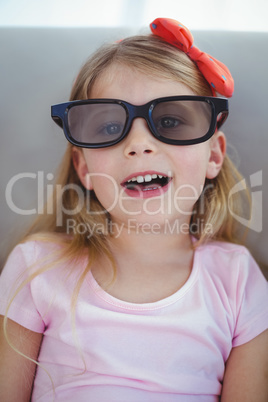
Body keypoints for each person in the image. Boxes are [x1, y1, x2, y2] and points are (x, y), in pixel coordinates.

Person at [0, 17, 267, 402]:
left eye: (171, 122)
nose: (139, 144)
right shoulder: (37, 267)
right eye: (109, 129)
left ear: (214, 155)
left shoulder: (238, 281)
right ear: (83, 168)